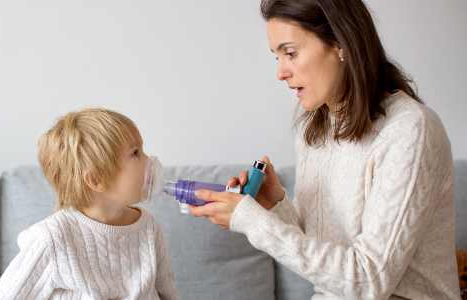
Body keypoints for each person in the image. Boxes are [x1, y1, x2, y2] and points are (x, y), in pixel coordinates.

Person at [188, 0, 460, 299]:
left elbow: (369, 282)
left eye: (290, 53)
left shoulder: (410, 130)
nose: (280, 72)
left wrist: (251, 221)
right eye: (277, 57)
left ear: (341, 43)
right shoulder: (313, 133)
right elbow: (322, 258)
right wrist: (274, 204)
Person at [0, 108, 181, 300]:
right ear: (97, 180)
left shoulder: (149, 226)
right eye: (135, 153)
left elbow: (168, 294)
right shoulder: (53, 237)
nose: (148, 160)